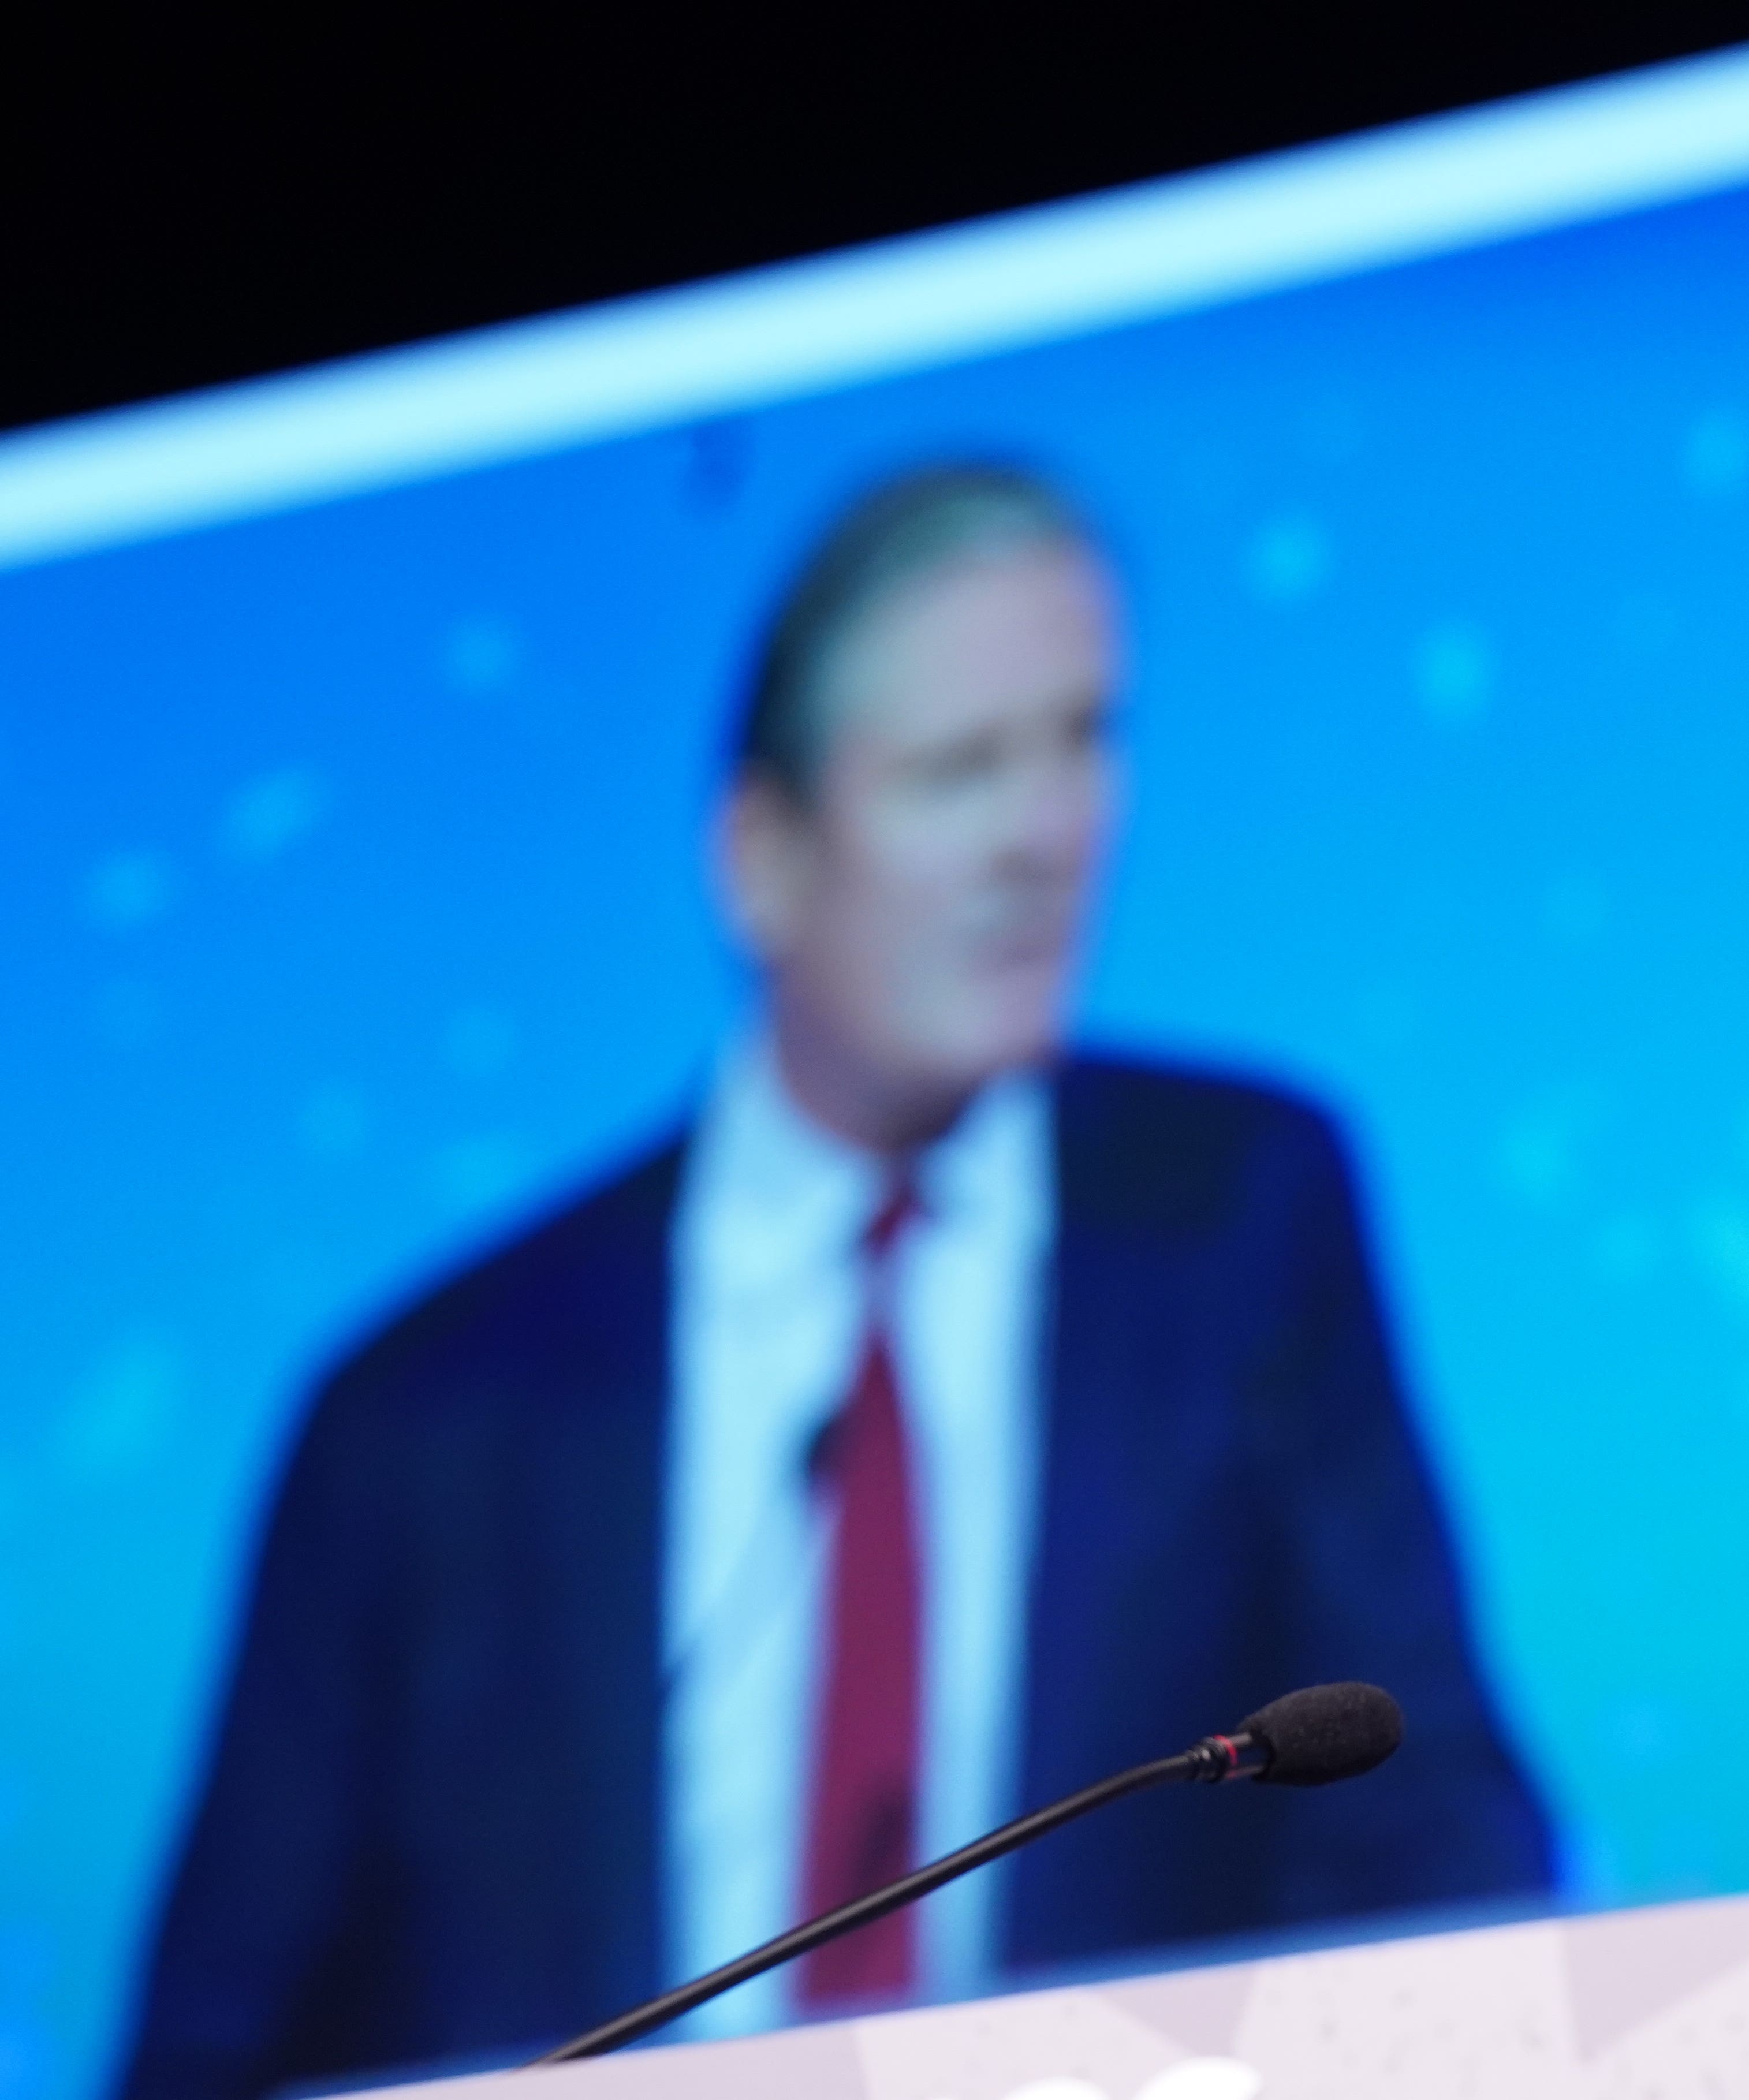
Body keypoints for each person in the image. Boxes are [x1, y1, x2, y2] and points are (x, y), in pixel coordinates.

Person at [116, 466, 1552, 2100]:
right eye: (958, 770)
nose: (1045, 832)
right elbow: (216, 2046)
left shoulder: (1240, 1220)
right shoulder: (427, 1410)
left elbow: (1438, 1840)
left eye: (1083, 741)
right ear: (764, 857)